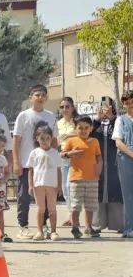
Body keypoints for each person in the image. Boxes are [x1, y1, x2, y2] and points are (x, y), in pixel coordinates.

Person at [12, 85, 58, 239]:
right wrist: (16, 162)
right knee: (24, 196)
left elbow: (55, 140)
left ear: (46, 98)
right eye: (37, 94)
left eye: (43, 95)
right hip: (27, 164)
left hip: (46, 167)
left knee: (45, 199)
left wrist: (55, 159)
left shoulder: (51, 116)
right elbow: (16, 140)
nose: (40, 97)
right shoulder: (24, 116)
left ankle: (44, 226)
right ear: (30, 97)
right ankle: (23, 226)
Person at [61, 116, 102, 239]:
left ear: (91, 128)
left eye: (86, 128)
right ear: (76, 128)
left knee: (90, 204)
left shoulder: (95, 141)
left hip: (92, 178)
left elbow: (98, 156)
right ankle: (75, 227)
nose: (83, 130)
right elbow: (62, 154)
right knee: (76, 205)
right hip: (76, 178)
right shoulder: (71, 141)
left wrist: (99, 166)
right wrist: (70, 154)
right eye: (80, 128)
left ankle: (88, 227)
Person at [26, 123, 63, 241]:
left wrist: (59, 186)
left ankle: (53, 232)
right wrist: (31, 185)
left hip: (52, 185)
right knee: (40, 209)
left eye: (47, 138)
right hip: (38, 185)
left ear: (51, 138)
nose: (45, 141)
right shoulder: (34, 153)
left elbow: (58, 170)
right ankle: (39, 231)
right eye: (42, 138)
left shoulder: (55, 153)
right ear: (37, 138)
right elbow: (30, 171)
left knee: (52, 208)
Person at [92, 99, 123, 233]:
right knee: (98, 192)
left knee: (116, 191)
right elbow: (89, 136)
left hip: (114, 164)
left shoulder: (118, 122)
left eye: (108, 107)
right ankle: (96, 225)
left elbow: (117, 138)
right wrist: (97, 119)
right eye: (102, 107)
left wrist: (111, 118)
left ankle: (119, 224)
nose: (105, 110)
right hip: (97, 164)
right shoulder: (94, 123)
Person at [112, 91, 133, 238]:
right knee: (128, 195)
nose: (130, 106)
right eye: (127, 103)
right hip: (125, 158)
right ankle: (129, 228)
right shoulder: (120, 120)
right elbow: (118, 142)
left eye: (132, 102)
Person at [57, 97, 78, 226]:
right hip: (62, 158)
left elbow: (83, 133)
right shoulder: (58, 124)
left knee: (72, 188)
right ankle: (70, 215)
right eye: (62, 107)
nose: (65, 109)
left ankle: (75, 217)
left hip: (75, 159)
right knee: (65, 189)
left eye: (67, 106)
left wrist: (69, 135)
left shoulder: (76, 122)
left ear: (72, 108)